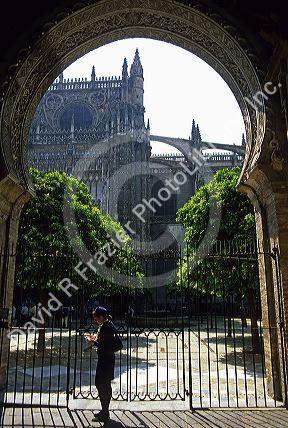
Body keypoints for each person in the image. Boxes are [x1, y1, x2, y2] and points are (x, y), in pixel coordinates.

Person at [86, 306, 116, 423]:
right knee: (103, 384)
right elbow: (104, 342)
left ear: (102, 317)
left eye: (96, 317)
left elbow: (105, 345)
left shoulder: (107, 327)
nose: (95, 320)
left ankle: (105, 412)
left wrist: (94, 342)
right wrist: (96, 340)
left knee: (102, 384)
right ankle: (104, 411)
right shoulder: (106, 325)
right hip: (106, 360)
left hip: (106, 361)